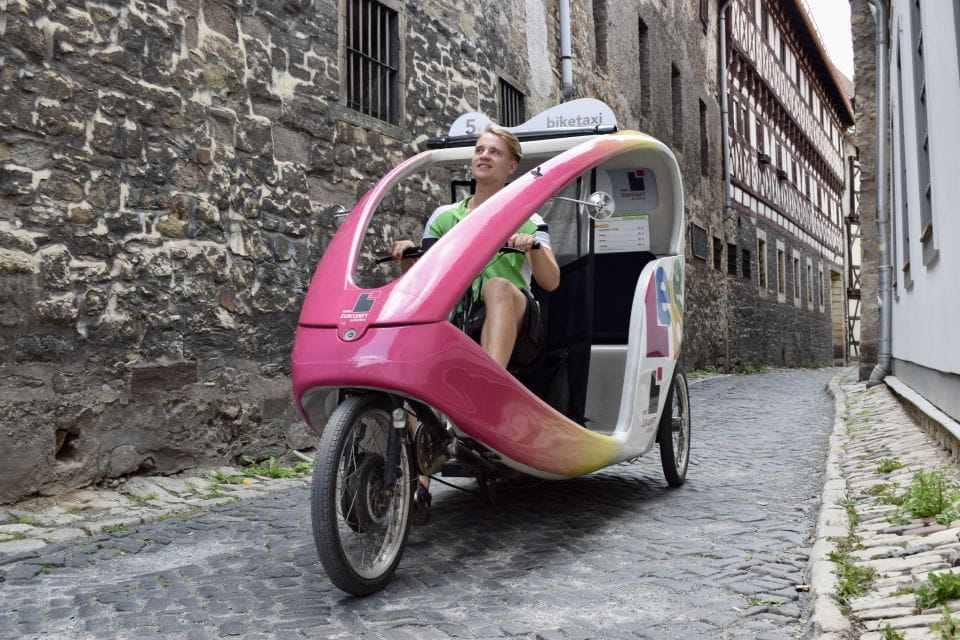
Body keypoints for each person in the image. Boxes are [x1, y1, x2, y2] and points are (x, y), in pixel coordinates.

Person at [389, 125, 560, 523]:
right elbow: (425, 275)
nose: (483, 156)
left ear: (511, 166)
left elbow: (551, 281)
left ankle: (486, 392)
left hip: (517, 326)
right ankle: (419, 488)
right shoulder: (445, 217)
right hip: (462, 321)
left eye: (494, 152)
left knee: (499, 285)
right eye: (479, 150)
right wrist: (407, 256)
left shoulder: (527, 216)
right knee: (418, 382)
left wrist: (532, 246)